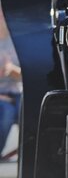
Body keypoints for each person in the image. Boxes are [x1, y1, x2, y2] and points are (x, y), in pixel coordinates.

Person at [0, 9, 21, 158]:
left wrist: (12, 70)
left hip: (18, 92)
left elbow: (27, 74)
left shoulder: (17, 42)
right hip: (1, 95)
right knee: (6, 112)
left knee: (26, 111)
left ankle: (30, 150)